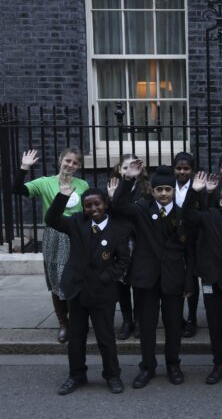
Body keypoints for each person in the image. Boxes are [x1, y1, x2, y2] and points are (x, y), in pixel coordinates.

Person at [111, 161, 193, 389]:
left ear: (173, 190)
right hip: (145, 278)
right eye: (160, 189)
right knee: (146, 326)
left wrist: (189, 282)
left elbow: (190, 252)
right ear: (153, 191)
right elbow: (117, 206)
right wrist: (129, 179)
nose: (164, 193)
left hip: (173, 278)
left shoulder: (182, 214)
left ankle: (173, 365)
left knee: (174, 325)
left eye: (168, 189)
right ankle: (147, 366)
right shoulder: (140, 209)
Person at [45, 182, 132, 395]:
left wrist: (104, 277)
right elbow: (51, 220)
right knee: (76, 337)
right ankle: (76, 375)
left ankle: (112, 375)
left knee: (105, 338)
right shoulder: (76, 222)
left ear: (106, 205)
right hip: (77, 290)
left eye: (97, 204)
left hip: (103, 292)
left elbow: (123, 261)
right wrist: (62, 197)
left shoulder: (117, 229)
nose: (93, 209)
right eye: (88, 205)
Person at [13, 147, 87, 343]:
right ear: (60, 160)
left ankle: (79, 321)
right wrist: (23, 168)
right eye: (68, 161)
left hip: (76, 235)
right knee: (57, 279)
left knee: (77, 278)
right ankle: (64, 323)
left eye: (75, 163)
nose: (70, 165)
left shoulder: (83, 185)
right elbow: (17, 190)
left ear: (79, 166)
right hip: (55, 235)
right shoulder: (45, 183)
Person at [182, 172, 222, 385]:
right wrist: (195, 191)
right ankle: (219, 364)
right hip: (212, 280)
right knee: (215, 325)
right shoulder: (210, 216)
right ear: (220, 201)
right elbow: (187, 214)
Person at [109, 154, 149, 341]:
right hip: (119, 242)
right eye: (125, 168)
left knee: (138, 283)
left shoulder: (145, 189)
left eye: (132, 168)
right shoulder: (113, 187)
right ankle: (127, 321)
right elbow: (112, 210)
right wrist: (112, 197)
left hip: (138, 241)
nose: (128, 171)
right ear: (119, 169)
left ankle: (140, 320)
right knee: (121, 283)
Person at [172, 152, 200, 339]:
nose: (182, 172)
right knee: (175, 277)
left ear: (192, 170)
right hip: (172, 239)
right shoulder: (168, 186)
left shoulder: (198, 187)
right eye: (179, 168)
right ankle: (177, 318)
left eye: (186, 168)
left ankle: (192, 318)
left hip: (193, 239)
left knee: (192, 277)